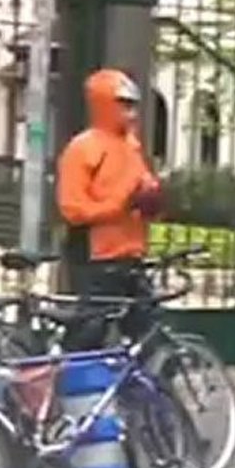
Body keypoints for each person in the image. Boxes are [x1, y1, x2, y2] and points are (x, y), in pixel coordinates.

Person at [55, 68, 163, 347]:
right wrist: (119, 205)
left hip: (129, 253)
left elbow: (141, 184)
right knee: (89, 331)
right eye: (124, 105)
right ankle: (65, 383)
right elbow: (72, 209)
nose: (132, 114)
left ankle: (144, 388)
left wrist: (151, 198)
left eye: (134, 106)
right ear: (104, 104)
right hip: (96, 257)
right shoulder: (83, 148)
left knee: (148, 333)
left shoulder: (130, 145)